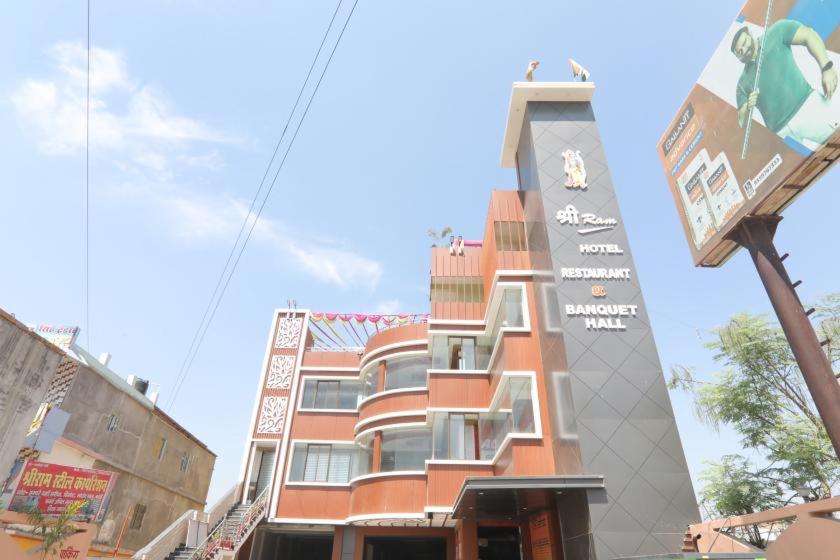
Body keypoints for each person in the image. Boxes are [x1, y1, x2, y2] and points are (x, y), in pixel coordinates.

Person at [732, 19, 840, 146]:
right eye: (739, 52)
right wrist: (748, 107)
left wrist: (826, 68)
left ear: (750, 32)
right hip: (780, 134)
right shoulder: (742, 83)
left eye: (744, 43)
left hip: (808, 107)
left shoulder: (776, 32)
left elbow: (808, 35)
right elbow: (741, 121)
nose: (744, 50)